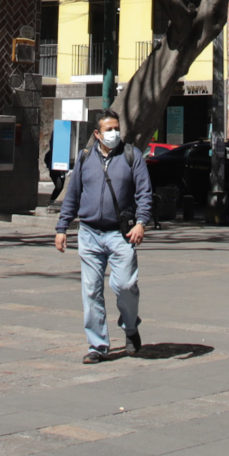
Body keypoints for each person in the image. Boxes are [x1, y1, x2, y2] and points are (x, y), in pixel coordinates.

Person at [53, 110, 154, 363]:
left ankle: (130, 327)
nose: (114, 133)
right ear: (97, 134)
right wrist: (62, 228)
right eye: (109, 129)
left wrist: (141, 223)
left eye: (116, 128)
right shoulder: (85, 157)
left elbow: (144, 192)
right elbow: (73, 195)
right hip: (89, 233)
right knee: (91, 290)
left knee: (125, 285)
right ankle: (97, 345)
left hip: (121, 234)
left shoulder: (132, 156)